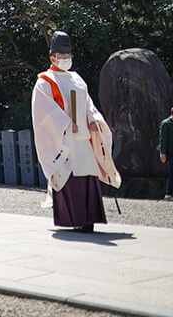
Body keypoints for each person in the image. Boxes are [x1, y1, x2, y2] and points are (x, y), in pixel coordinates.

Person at [31, 31, 120, 233]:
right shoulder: (45, 82)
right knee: (70, 177)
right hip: (64, 139)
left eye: (68, 55)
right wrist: (64, 123)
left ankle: (89, 219)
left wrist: (92, 120)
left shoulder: (77, 79)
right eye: (61, 56)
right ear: (52, 57)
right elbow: (43, 112)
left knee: (88, 175)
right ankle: (74, 219)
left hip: (83, 138)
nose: (65, 59)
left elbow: (88, 105)